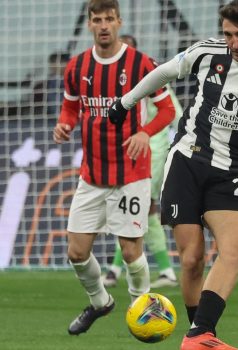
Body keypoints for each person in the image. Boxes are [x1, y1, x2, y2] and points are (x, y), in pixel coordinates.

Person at [107, 0, 238, 348]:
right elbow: (163, 72)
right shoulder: (207, 53)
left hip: (231, 171)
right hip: (188, 161)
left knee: (237, 248)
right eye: (228, 34)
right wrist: (126, 102)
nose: (234, 43)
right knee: (192, 259)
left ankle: (197, 336)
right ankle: (202, 334)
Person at [52, 0, 176, 336]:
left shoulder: (140, 65)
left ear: (118, 22)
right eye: (97, 20)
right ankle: (100, 302)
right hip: (92, 175)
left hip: (131, 173)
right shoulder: (77, 67)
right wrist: (64, 125)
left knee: (130, 249)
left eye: (109, 19)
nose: (104, 25)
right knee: (77, 251)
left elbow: (167, 111)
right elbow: (70, 109)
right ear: (90, 24)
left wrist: (144, 132)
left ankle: (144, 314)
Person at [102, 34, 182, 289]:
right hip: (130, 154)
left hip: (153, 153)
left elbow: (175, 114)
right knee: (136, 209)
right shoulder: (117, 83)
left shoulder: (151, 76)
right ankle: (162, 269)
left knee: (137, 208)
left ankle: (117, 269)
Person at [33, 51, 71, 115]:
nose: (56, 66)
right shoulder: (43, 86)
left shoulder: (74, 81)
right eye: (53, 62)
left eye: (61, 62)